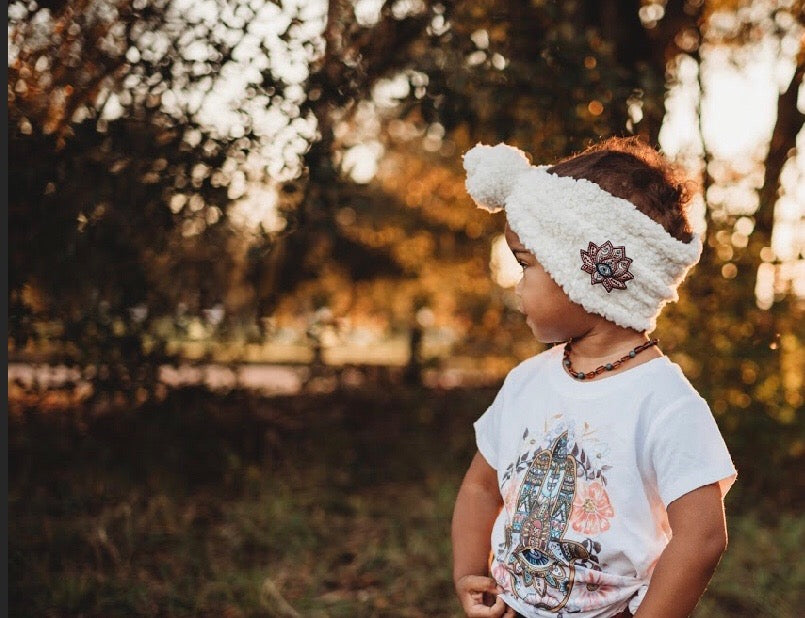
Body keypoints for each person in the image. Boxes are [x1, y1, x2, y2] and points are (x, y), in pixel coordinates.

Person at [452, 137, 737, 618]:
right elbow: (481, 487)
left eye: (525, 264)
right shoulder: (527, 382)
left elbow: (703, 535)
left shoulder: (665, 401)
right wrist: (467, 573)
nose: (515, 284)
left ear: (584, 272)